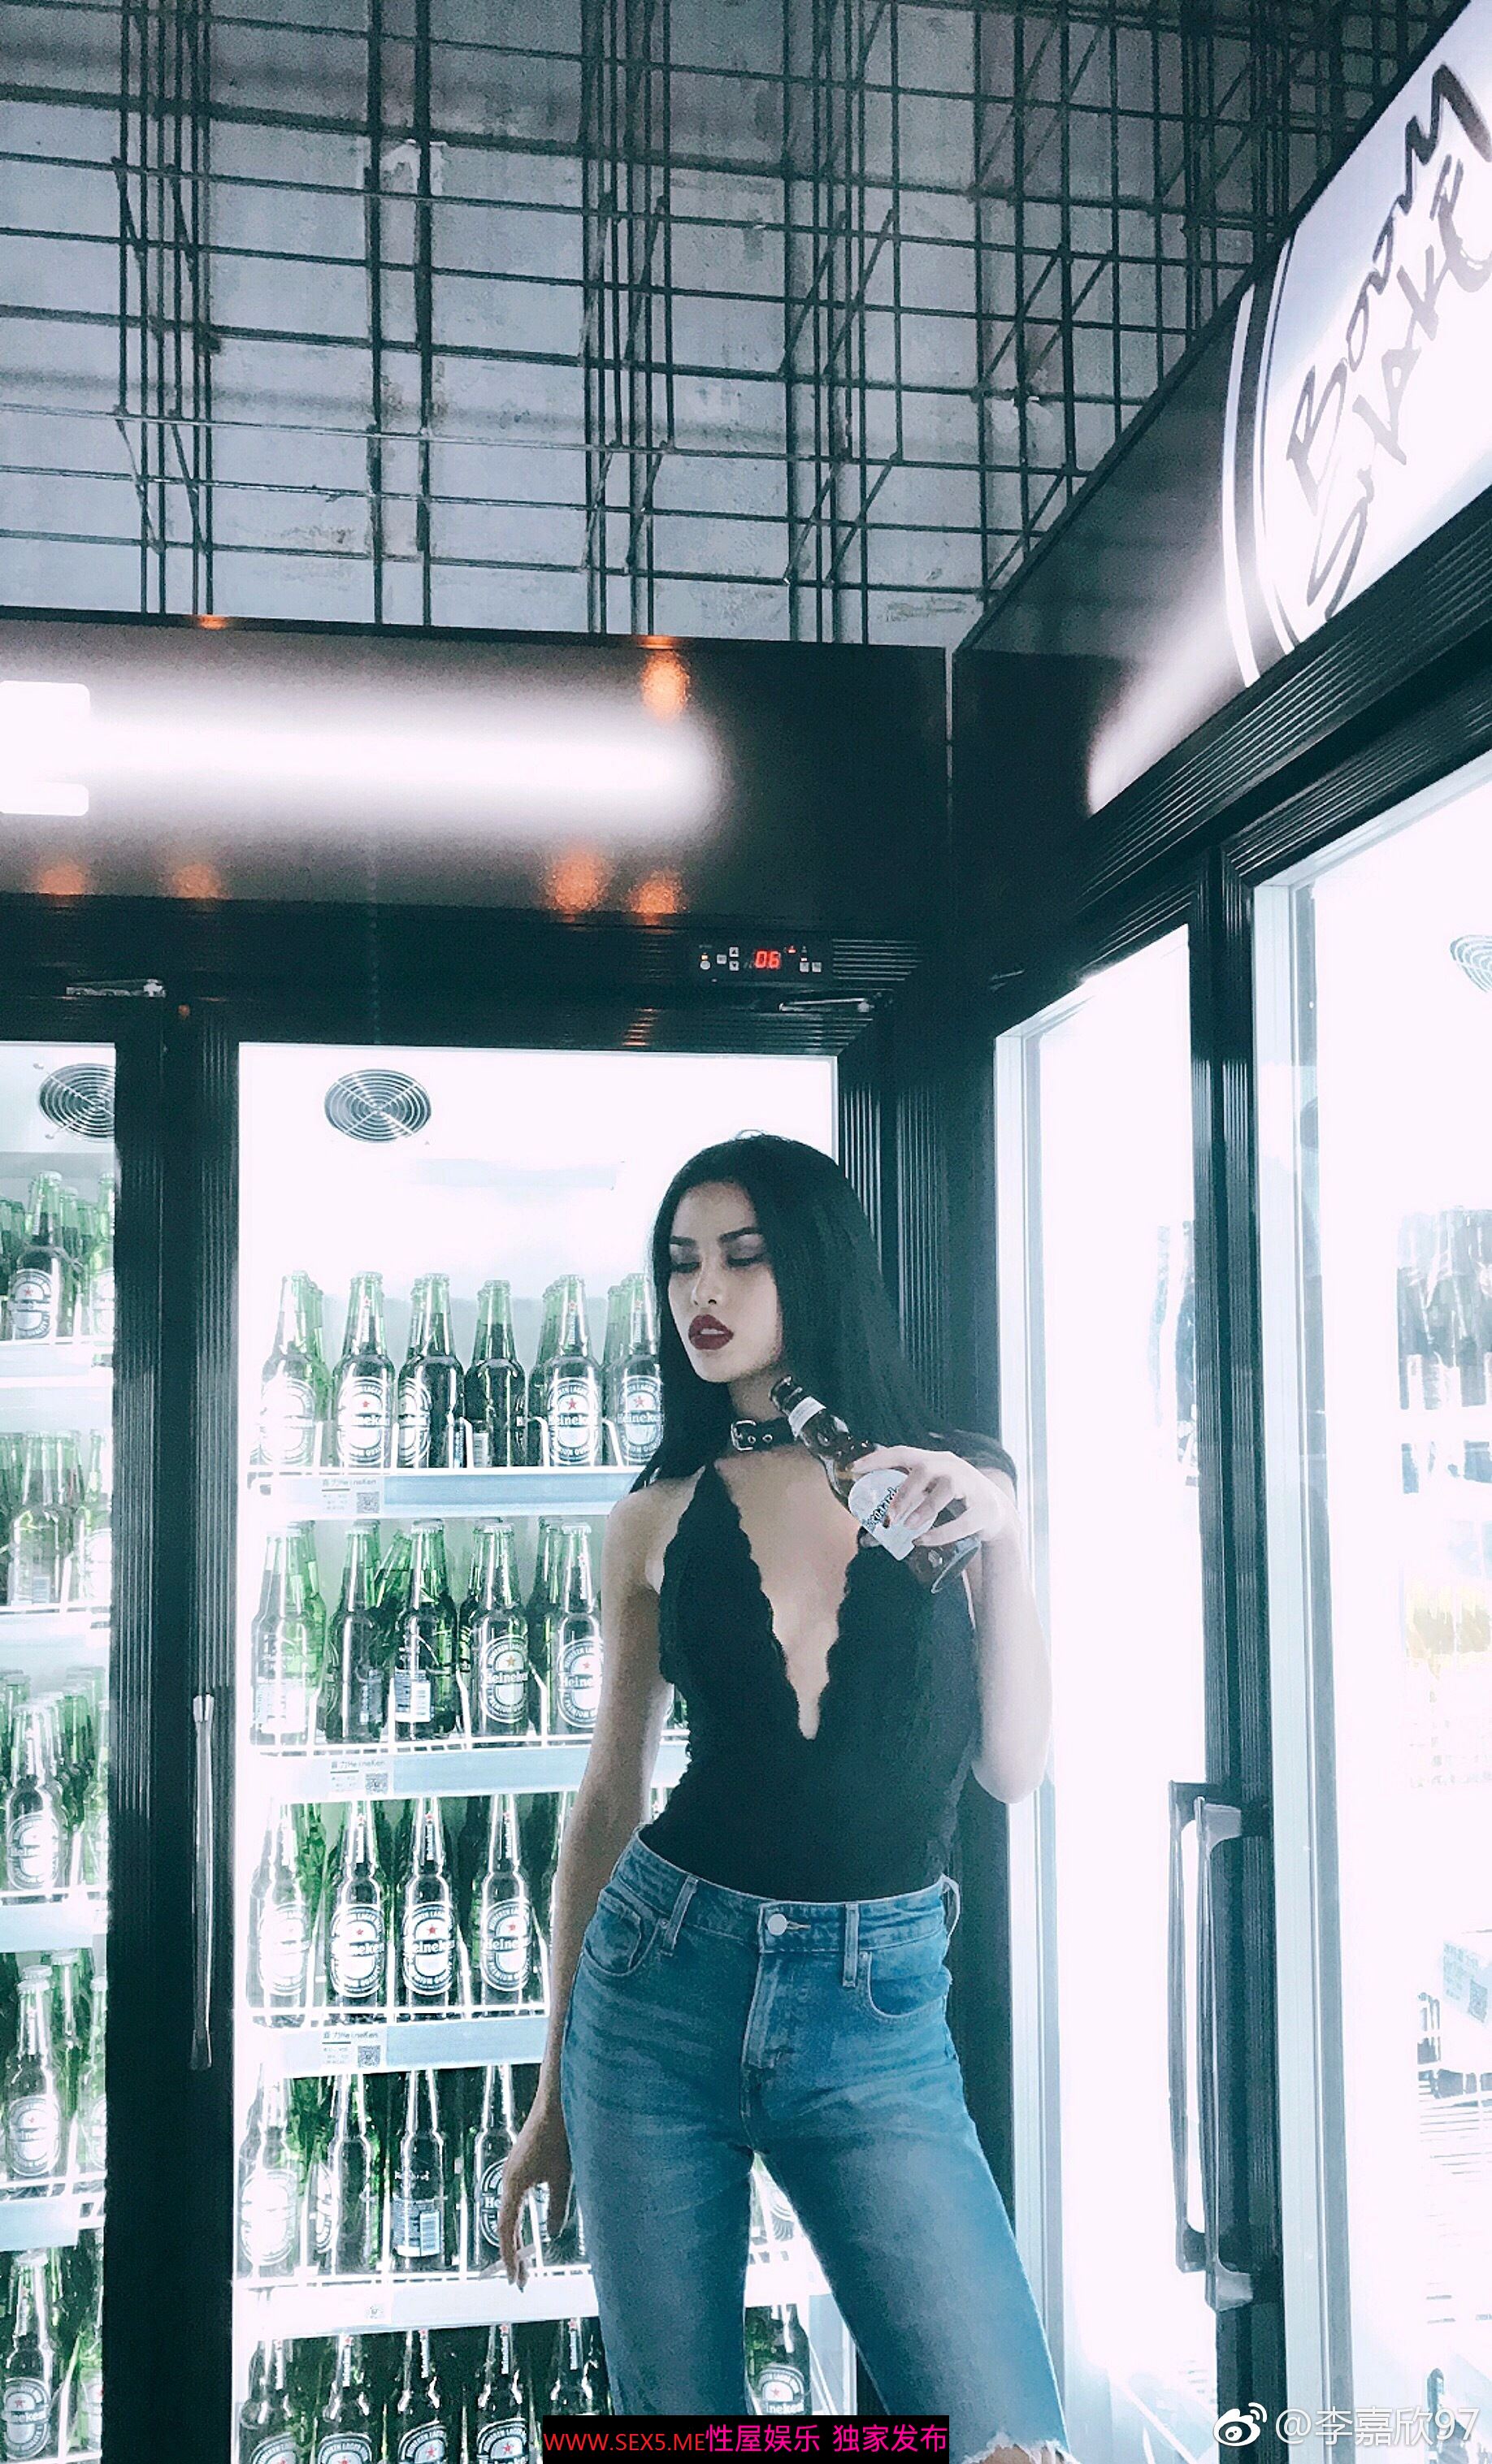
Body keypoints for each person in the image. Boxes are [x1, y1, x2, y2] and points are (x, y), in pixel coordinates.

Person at [498, 1134, 1076, 2464]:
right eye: (681, 1263)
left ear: (813, 1264)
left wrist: (1004, 1532)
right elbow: (608, 1795)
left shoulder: (950, 1478)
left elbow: (1014, 1765)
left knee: (1014, 2445)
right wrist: (551, 2094)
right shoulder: (653, 1515)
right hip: (659, 1986)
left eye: (742, 1257)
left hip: (877, 2014)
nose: (702, 1291)